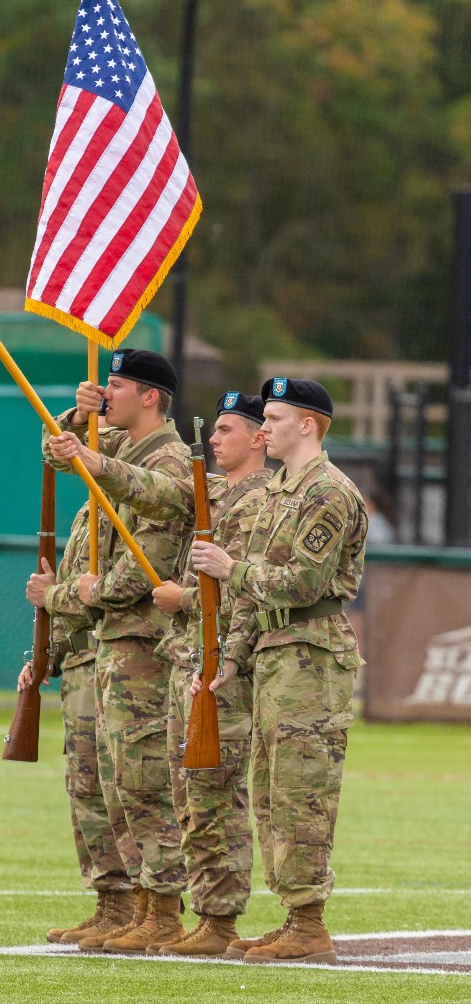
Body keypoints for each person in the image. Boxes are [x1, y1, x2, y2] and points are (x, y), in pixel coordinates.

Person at [50, 390, 271, 957]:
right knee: (150, 782)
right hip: (183, 654)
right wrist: (83, 428)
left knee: (199, 788)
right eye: (214, 431)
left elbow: (261, 586)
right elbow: (149, 487)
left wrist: (179, 601)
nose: (216, 440)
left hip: (216, 655)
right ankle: (152, 907)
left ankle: (189, 912)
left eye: (228, 430)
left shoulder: (269, 498)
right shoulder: (209, 490)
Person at [192, 377, 367, 965]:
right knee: (269, 791)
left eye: (274, 417)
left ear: (309, 425)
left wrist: (229, 566)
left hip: (311, 658)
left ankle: (310, 925)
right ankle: (294, 917)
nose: (262, 428)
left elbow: (303, 583)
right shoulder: (280, 492)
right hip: (274, 654)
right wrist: (232, 658)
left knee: (301, 793)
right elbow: (258, 597)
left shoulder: (328, 493)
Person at [43, 348, 192, 954]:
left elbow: (148, 560)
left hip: (145, 641)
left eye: (117, 384)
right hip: (108, 640)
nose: (105, 393)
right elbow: (54, 459)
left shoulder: (170, 460)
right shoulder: (120, 450)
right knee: (104, 780)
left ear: (150, 396)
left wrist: (79, 592)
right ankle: (117, 902)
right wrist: (75, 427)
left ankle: (160, 907)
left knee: (142, 777)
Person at [20, 479, 142, 945]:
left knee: (111, 786)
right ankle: (110, 899)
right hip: (75, 663)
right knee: (84, 788)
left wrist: (52, 595)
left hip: (106, 660)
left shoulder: (127, 511)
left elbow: (105, 593)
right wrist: (45, 655)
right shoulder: (87, 512)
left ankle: (132, 900)